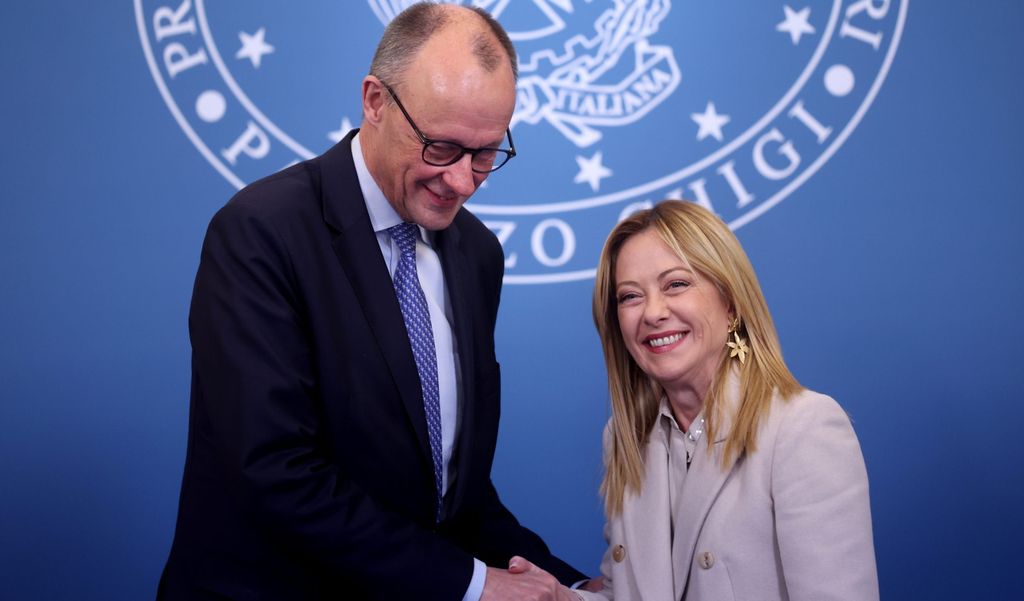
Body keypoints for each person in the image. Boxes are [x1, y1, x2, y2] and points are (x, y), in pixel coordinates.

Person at [157, 4, 585, 600]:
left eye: (486, 154)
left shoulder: (477, 253)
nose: (462, 181)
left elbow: (451, 494)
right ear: (376, 102)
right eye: (440, 147)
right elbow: (276, 473)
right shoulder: (262, 231)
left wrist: (573, 587)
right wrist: (471, 584)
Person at [529, 200, 878, 600]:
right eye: (630, 296)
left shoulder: (802, 428)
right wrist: (558, 597)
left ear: (730, 303)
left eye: (676, 284)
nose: (653, 313)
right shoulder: (625, 440)